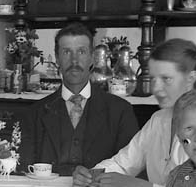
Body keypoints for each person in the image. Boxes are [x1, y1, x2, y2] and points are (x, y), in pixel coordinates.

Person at [73, 38, 196, 187]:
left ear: (190, 78)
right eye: (153, 79)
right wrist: (91, 174)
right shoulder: (158, 120)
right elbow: (124, 163)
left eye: (166, 79)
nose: (156, 88)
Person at [20, 23, 139, 176]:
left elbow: (129, 168)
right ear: (57, 58)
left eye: (81, 52)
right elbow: (25, 170)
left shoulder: (120, 111)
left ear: (92, 58)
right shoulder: (34, 114)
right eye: (67, 52)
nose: (74, 61)